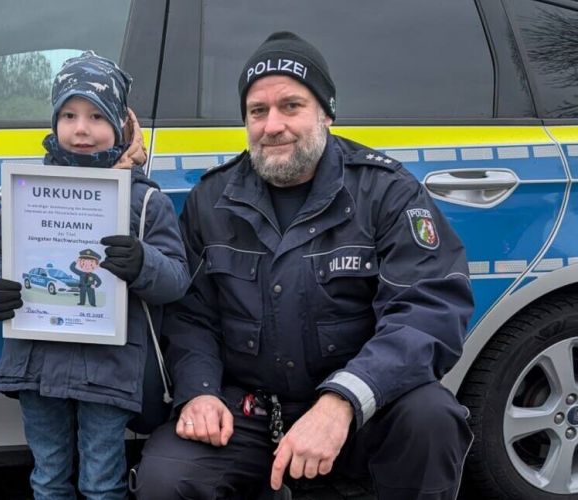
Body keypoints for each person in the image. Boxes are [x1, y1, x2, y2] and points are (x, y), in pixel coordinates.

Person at [131, 32, 474, 500]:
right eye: (258, 111)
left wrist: (343, 400)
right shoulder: (212, 200)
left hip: (360, 405)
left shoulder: (386, 192)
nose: (272, 125)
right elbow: (191, 318)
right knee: (167, 478)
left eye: (291, 106)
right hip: (248, 410)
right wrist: (200, 391)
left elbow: (428, 309)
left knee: (431, 417)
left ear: (326, 113)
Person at [0, 51, 190, 500]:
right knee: (48, 480)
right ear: (54, 123)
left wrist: (142, 263)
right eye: (69, 114)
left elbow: (176, 279)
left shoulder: (145, 201)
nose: (81, 128)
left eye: (96, 115)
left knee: (100, 482)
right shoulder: (25, 191)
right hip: (36, 365)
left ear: (120, 124)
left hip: (108, 371)